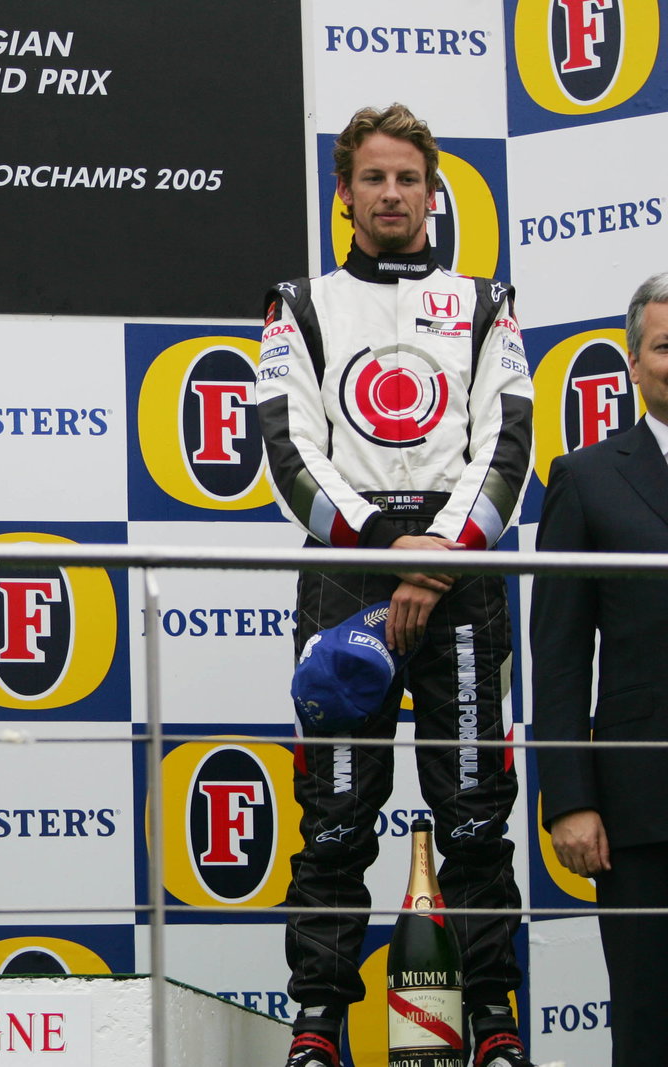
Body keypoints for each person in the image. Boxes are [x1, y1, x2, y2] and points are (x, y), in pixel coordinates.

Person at [256, 105, 535, 1067]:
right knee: (334, 816)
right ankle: (320, 1026)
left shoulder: (487, 299)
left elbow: (509, 442)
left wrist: (438, 559)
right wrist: (393, 548)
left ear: (431, 192)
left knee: (474, 816)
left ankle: (493, 1021)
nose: (389, 195)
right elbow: (286, 447)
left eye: (406, 179)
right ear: (344, 194)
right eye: (371, 179)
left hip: (461, 584)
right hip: (347, 577)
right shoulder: (301, 301)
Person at [531, 273, 668, 1066]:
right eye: (663, 345)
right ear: (632, 364)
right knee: (650, 1024)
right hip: (643, 806)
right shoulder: (584, 476)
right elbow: (557, 654)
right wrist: (569, 800)